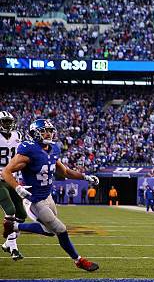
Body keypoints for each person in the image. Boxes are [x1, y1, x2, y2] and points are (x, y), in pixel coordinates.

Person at [2, 119, 99, 271]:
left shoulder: (54, 149)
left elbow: (65, 172)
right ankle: (78, 260)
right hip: (34, 200)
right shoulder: (29, 150)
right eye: (44, 131)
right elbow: (6, 171)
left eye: (50, 130)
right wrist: (18, 188)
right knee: (60, 229)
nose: (49, 133)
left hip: (48, 197)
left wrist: (85, 177)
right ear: (35, 133)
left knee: (49, 231)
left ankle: (13, 226)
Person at [0, 111, 25, 260]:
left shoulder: (18, 136)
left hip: (12, 178)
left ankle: (7, 244)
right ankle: (13, 247)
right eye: (4, 121)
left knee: (21, 214)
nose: (8, 124)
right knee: (10, 209)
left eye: (9, 121)